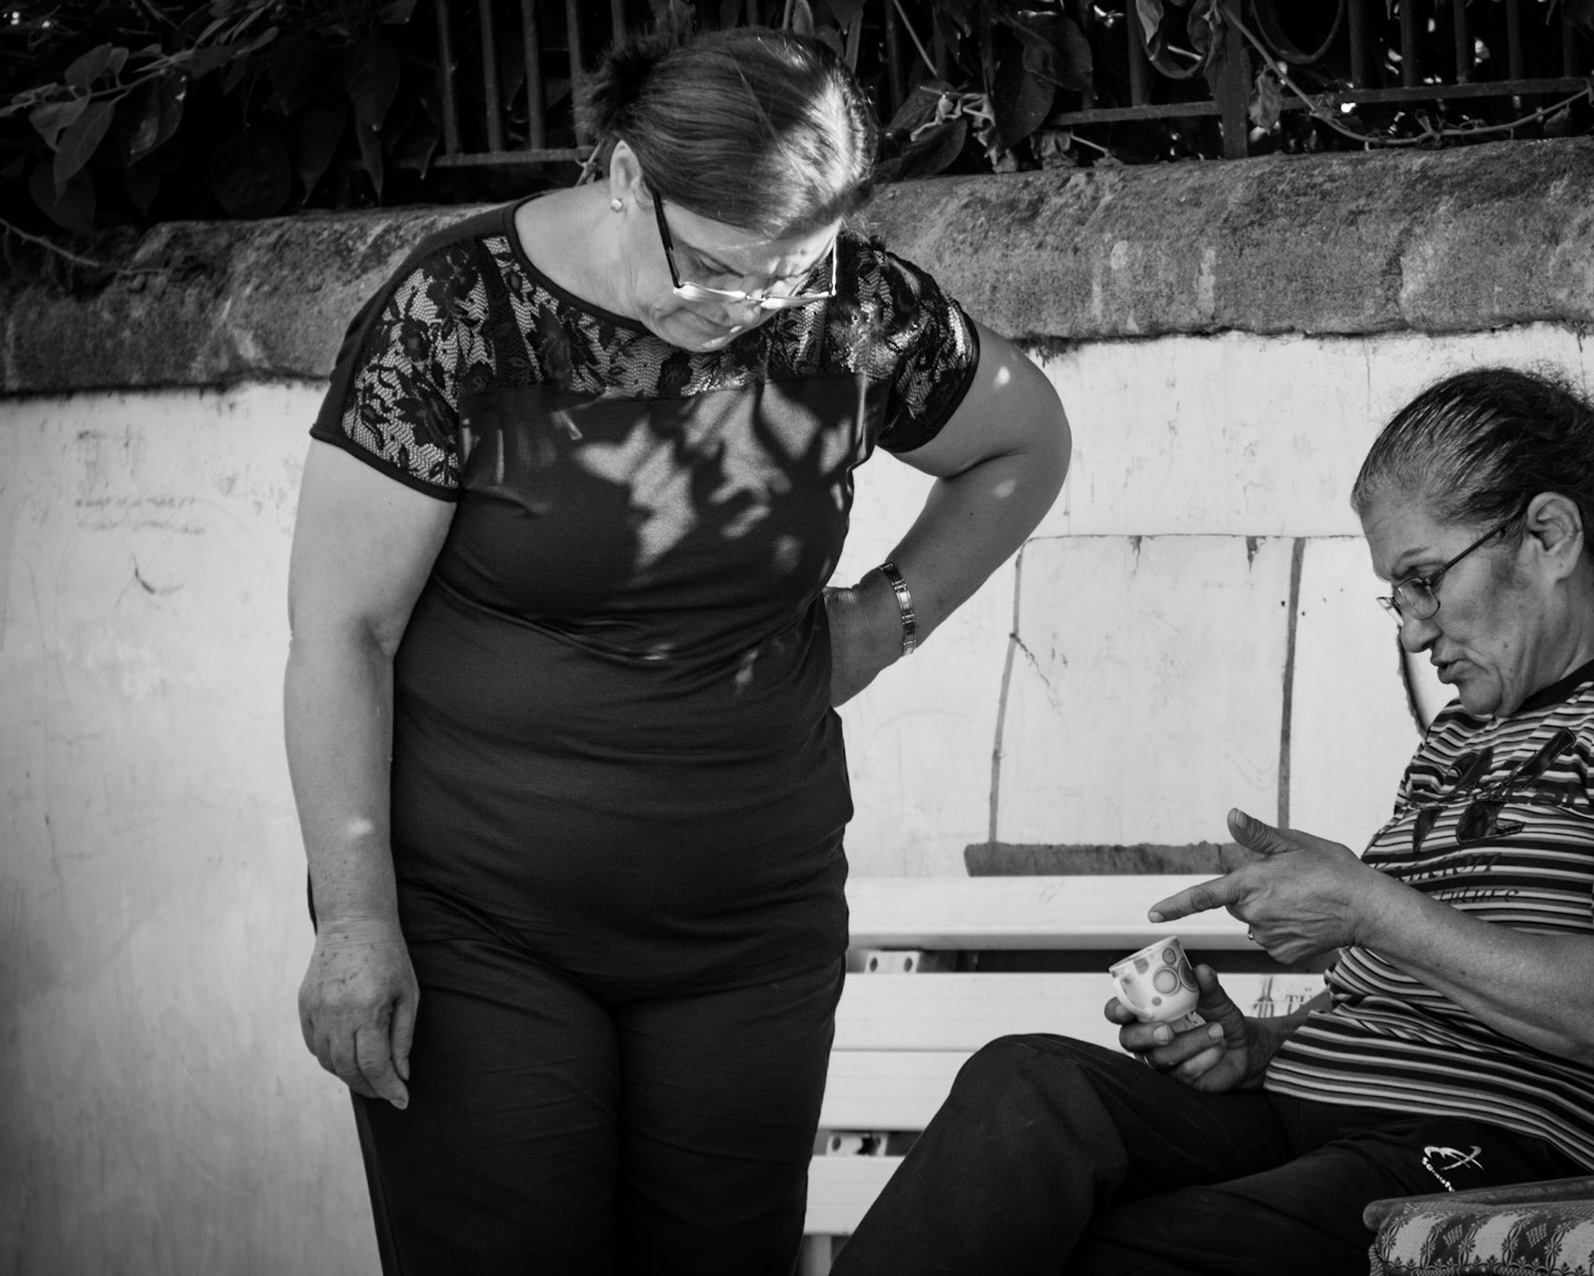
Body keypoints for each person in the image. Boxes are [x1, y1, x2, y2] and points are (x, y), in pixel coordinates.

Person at [283, 25, 1070, 1275]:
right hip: (480, 930)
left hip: (751, 937)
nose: (740, 308)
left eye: (780, 279)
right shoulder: (455, 312)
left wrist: (884, 620)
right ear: (625, 177)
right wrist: (355, 918)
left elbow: (1025, 441)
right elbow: (344, 631)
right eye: (708, 266)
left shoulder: (854, 308)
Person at [830, 367, 1594, 1276]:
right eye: (1397, 597)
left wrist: (1367, 904)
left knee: (1133, 1252)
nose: (1414, 630)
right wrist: (1260, 1047)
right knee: (1029, 1085)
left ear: (1551, 536)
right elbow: (1414, 1000)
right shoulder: (1462, 737)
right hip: (1330, 1121)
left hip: (1536, 1161)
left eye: (1426, 579)